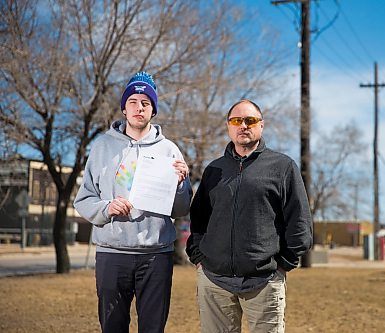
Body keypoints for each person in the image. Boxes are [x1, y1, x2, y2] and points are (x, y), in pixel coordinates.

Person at [74, 71, 192, 333]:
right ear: (124, 109)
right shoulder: (102, 146)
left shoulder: (169, 150)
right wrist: (106, 208)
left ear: (153, 110)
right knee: (113, 328)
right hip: (112, 255)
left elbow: (182, 209)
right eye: (133, 102)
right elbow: (83, 199)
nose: (139, 107)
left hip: (157, 256)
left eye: (146, 103)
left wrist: (182, 184)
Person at [186, 99, 313, 333]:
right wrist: (199, 257)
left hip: (265, 282)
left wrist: (282, 265)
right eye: (236, 121)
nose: (243, 125)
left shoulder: (282, 167)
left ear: (261, 125)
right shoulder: (214, 170)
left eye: (250, 120)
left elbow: (300, 223)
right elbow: (198, 220)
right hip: (214, 281)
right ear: (228, 126)